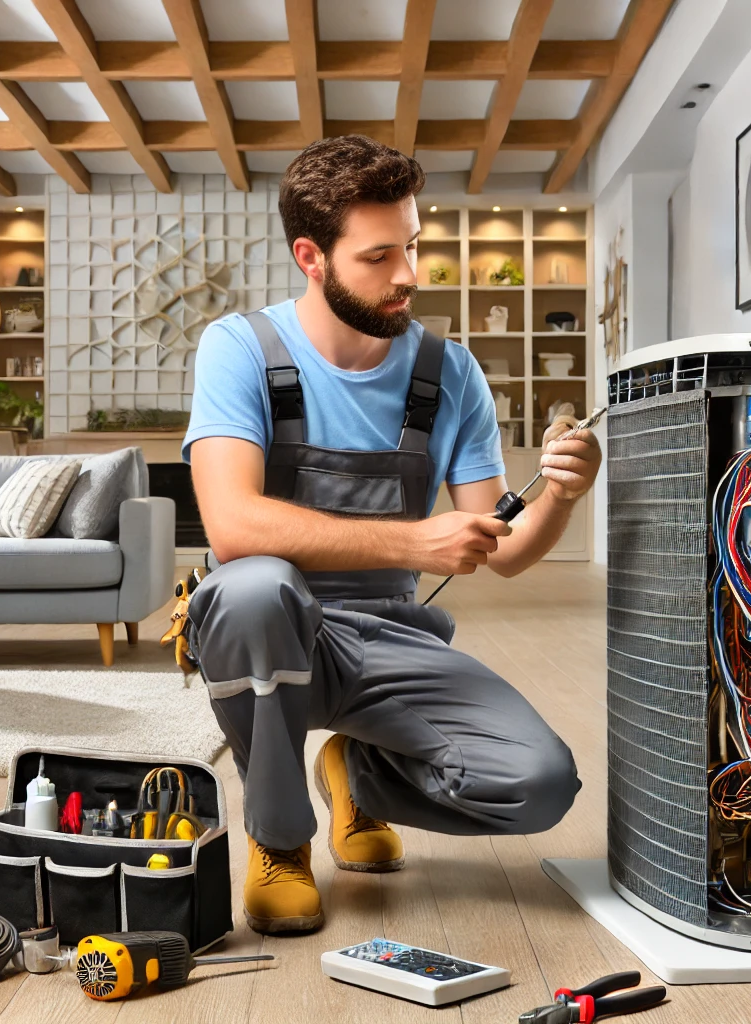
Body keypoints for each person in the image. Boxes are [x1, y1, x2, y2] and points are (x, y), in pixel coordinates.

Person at [182, 135, 602, 935]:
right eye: (379, 256)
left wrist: (560, 494)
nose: (408, 273)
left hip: (390, 640)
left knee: (540, 782)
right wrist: (412, 543)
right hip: (271, 631)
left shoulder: (449, 373)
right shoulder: (241, 349)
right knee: (251, 588)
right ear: (312, 255)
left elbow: (504, 549)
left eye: (411, 245)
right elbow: (232, 524)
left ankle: (357, 779)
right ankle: (278, 838)